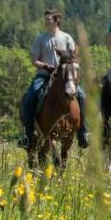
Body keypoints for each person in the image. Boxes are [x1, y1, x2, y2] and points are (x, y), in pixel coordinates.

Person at [19, 9, 91, 149]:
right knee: (29, 97)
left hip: (65, 78)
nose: (46, 21)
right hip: (44, 75)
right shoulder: (41, 38)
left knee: (82, 96)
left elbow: (74, 58)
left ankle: (83, 132)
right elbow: (34, 60)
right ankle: (27, 135)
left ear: (56, 20)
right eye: (45, 19)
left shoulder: (67, 38)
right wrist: (45, 66)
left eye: (48, 19)